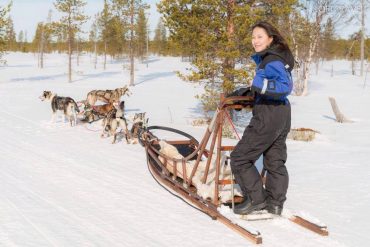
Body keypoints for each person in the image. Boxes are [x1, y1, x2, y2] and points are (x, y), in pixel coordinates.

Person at [230, 21, 294, 216]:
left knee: (239, 158)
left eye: (260, 37)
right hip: (281, 112)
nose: (255, 41)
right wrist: (250, 92)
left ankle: (256, 200)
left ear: (270, 39)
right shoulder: (274, 58)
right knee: (274, 160)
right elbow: (273, 86)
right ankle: (275, 203)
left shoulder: (271, 60)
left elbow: (285, 87)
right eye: (253, 37)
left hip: (268, 114)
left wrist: (257, 82)